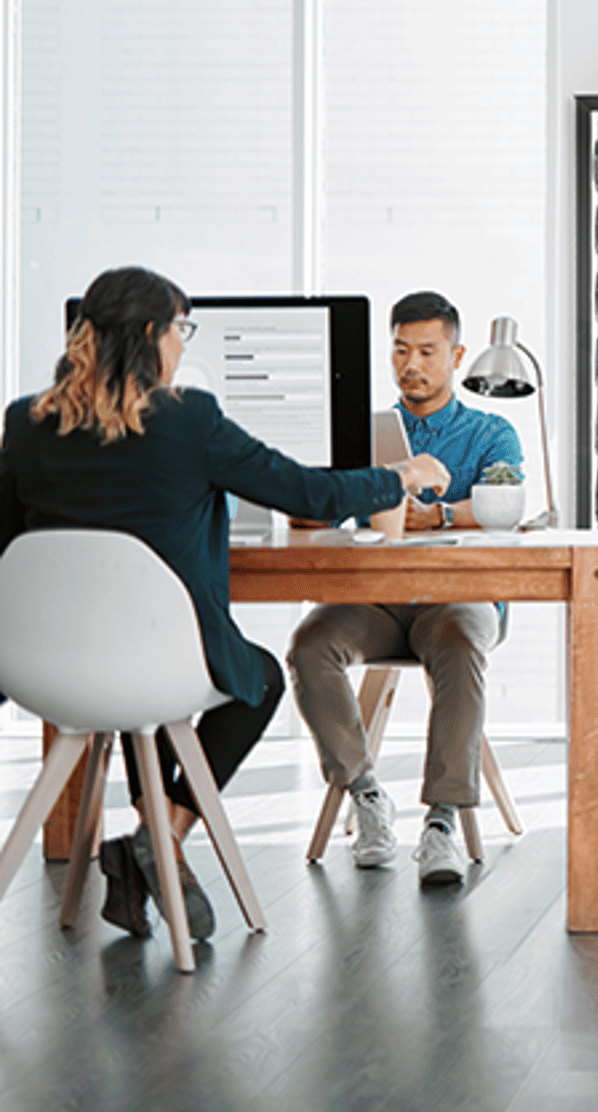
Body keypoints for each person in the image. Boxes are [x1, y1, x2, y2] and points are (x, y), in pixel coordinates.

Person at [0, 266, 447, 940]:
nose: (184, 346)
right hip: (162, 664)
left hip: (47, 671)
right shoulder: (189, 420)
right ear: (153, 336)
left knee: (135, 684)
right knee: (259, 678)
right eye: (182, 330)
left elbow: (10, 544)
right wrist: (400, 477)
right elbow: (308, 493)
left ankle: (154, 838)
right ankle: (161, 833)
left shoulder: (24, 424)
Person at [287, 291, 522, 888]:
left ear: (456, 354)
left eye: (426, 351)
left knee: (462, 642)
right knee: (311, 644)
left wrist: (440, 517)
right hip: (376, 602)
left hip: (458, 598)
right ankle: (365, 797)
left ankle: (441, 823)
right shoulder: (360, 433)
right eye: (399, 350)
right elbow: (319, 510)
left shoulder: (491, 433)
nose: (410, 364)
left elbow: (504, 503)